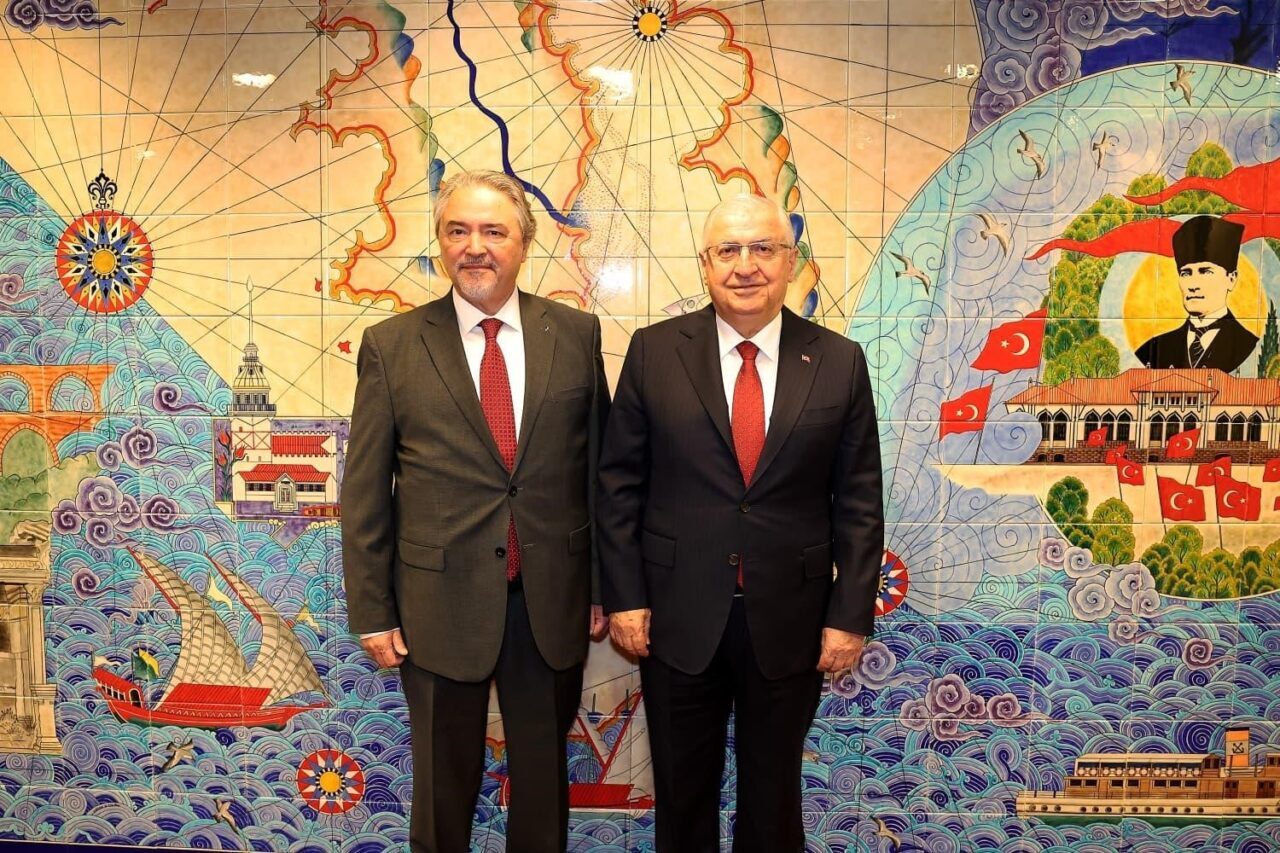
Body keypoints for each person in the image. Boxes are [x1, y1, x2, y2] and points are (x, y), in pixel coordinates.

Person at [596, 194, 884, 852]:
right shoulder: (654, 351)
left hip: (791, 620)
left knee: (773, 799)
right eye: (728, 250)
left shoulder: (839, 360)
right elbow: (618, 485)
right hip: (674, 618)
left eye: (763, 249)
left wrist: (849, 616)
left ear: (791, 262)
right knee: (682, 797)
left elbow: (860, 500)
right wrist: (625, 598)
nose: (745, 265)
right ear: (706, 264)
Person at [341, 169, 609, 853]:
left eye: (494, 231)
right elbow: (366, 490)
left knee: (543, 788)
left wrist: (601, 587)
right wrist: (372, 610)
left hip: (549, 600)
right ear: (440, 243)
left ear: (524, 243)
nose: (475, 246)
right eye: (457, 230)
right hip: (435, 605)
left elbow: (597, 473)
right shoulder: (391, 345)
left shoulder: (575, 334)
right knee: (441, 786)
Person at [1135, 215, 1257, 372]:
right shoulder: (1152, 350)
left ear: (1231, 279)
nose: (1193, 285)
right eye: (1186, 273)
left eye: (1205, 272)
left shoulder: (1249, 345)